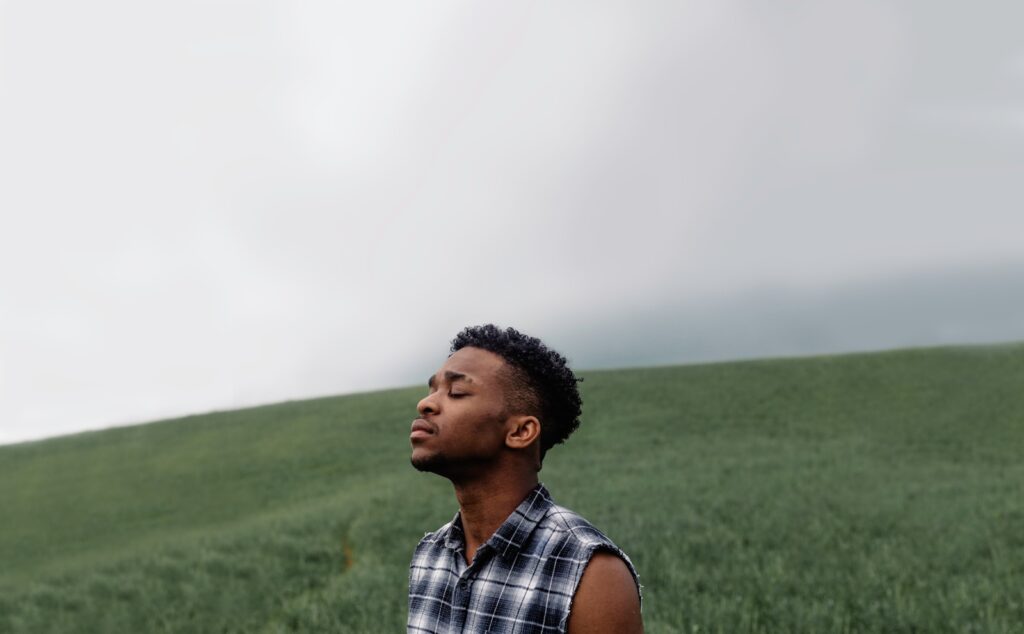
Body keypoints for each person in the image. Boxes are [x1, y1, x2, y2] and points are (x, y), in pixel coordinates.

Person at [407, 324, 643, 633]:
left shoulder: (590, 571)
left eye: (457, 392)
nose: (426, 404)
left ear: (520, 432)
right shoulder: (429, 555)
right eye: (432, 389)